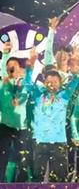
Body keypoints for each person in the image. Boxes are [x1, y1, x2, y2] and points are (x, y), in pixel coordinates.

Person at [24, 48, 79, 182]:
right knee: (38, 177)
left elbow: (76, 82)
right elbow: (27, 85)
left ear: (60, 83)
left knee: (60, 178)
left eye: (55, 82)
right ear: (45, 83)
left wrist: (75, 67)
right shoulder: (38, 95)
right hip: (40, 142)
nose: (52, 85)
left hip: (59, 142)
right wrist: (29, 68)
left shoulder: (64, 96)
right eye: (49, 82)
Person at [0, 42, 31, 182]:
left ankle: (21, 184)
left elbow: (25, 94)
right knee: (2, 158)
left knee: (23, 160)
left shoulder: (25, 84)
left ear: (20, 69)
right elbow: (3, 74)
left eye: (15, 66)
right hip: (5, 126)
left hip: (22, 128)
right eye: (9, 67)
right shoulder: (3, 84)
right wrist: (5, 53)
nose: (12, 69)